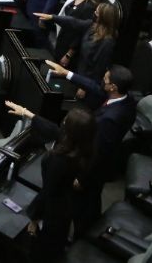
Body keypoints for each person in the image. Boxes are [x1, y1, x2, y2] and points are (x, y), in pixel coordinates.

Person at [11, 63, 137, 230]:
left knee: (84, 205)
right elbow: (94, 87)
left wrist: (82, 178)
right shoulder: (127, 99)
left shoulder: (109, 120)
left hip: (92, 169)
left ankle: (83, 236)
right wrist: (67, 74)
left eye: (105, 79)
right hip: (98, 159)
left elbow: (99, 151)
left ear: (113, 87)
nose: (101, 80)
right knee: (87, 205)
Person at [23, 108, 96, 257]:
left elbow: (47, 193)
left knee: (42, 250)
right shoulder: (86, 149)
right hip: (68, 205)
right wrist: (31, 115)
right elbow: (56, 131)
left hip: (52, 211)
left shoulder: (58, 160)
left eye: (66, 121)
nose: (63, 121)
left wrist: (34, 219)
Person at [19, 0, 100, 64]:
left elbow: (80, 34)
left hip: (69, 45)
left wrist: (69, 55)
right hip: (61, 37)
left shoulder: (91, 7)